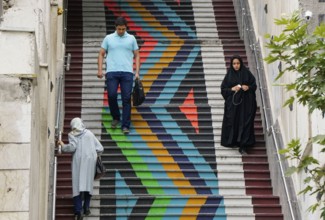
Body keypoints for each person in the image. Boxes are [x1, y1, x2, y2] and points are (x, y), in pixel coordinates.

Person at [97, 16, 140, 134]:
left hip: (127, 72)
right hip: (112, 71)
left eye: (123, 29)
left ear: (126, 28)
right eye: (119, 29)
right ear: (115, 27)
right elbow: (101, 54)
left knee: (126, 99)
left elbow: (137, 55)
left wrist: (137, 72)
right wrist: (100, 69)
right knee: (111, 95)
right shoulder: (108, 38)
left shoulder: (131, 38)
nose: (121, 31)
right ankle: (116, 117)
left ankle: (125, 125)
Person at [57, 117, 104, 220]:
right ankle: (86, 207)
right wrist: (92, 154)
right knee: (88, 184)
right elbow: (100, 148)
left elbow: (72, 147)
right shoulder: (90, 134)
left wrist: (63, 145)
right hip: (90, 162)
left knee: (77, 185)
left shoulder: (72, 134)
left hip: (78, 162)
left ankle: (78, 211)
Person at [220, 55, 257, 155]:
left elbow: (254, 85)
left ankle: (244, 145)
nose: (236, 65)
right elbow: (223, 90)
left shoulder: (247, 73)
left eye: (238, 63)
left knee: (245, 123)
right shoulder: (229, 76)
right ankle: (234, 141)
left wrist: (247, 87)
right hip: (233, 106)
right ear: (231, 65)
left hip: (246, 105)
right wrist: (232, 89)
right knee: (234, 122)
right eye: (234, 64)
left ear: (241, 64)